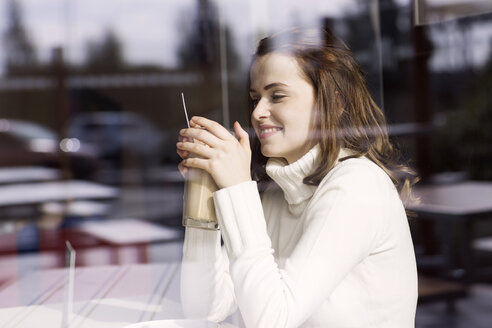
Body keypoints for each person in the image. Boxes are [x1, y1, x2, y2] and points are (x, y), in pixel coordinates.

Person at [176, 27, 418, 328]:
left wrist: (238, 188)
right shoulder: (281, 190)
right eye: (255, 99)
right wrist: (206, 197)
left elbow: (273, 319)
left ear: (335, 102)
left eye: (277, 96)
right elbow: (205, 309)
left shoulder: (357, 187)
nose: (258, 112)